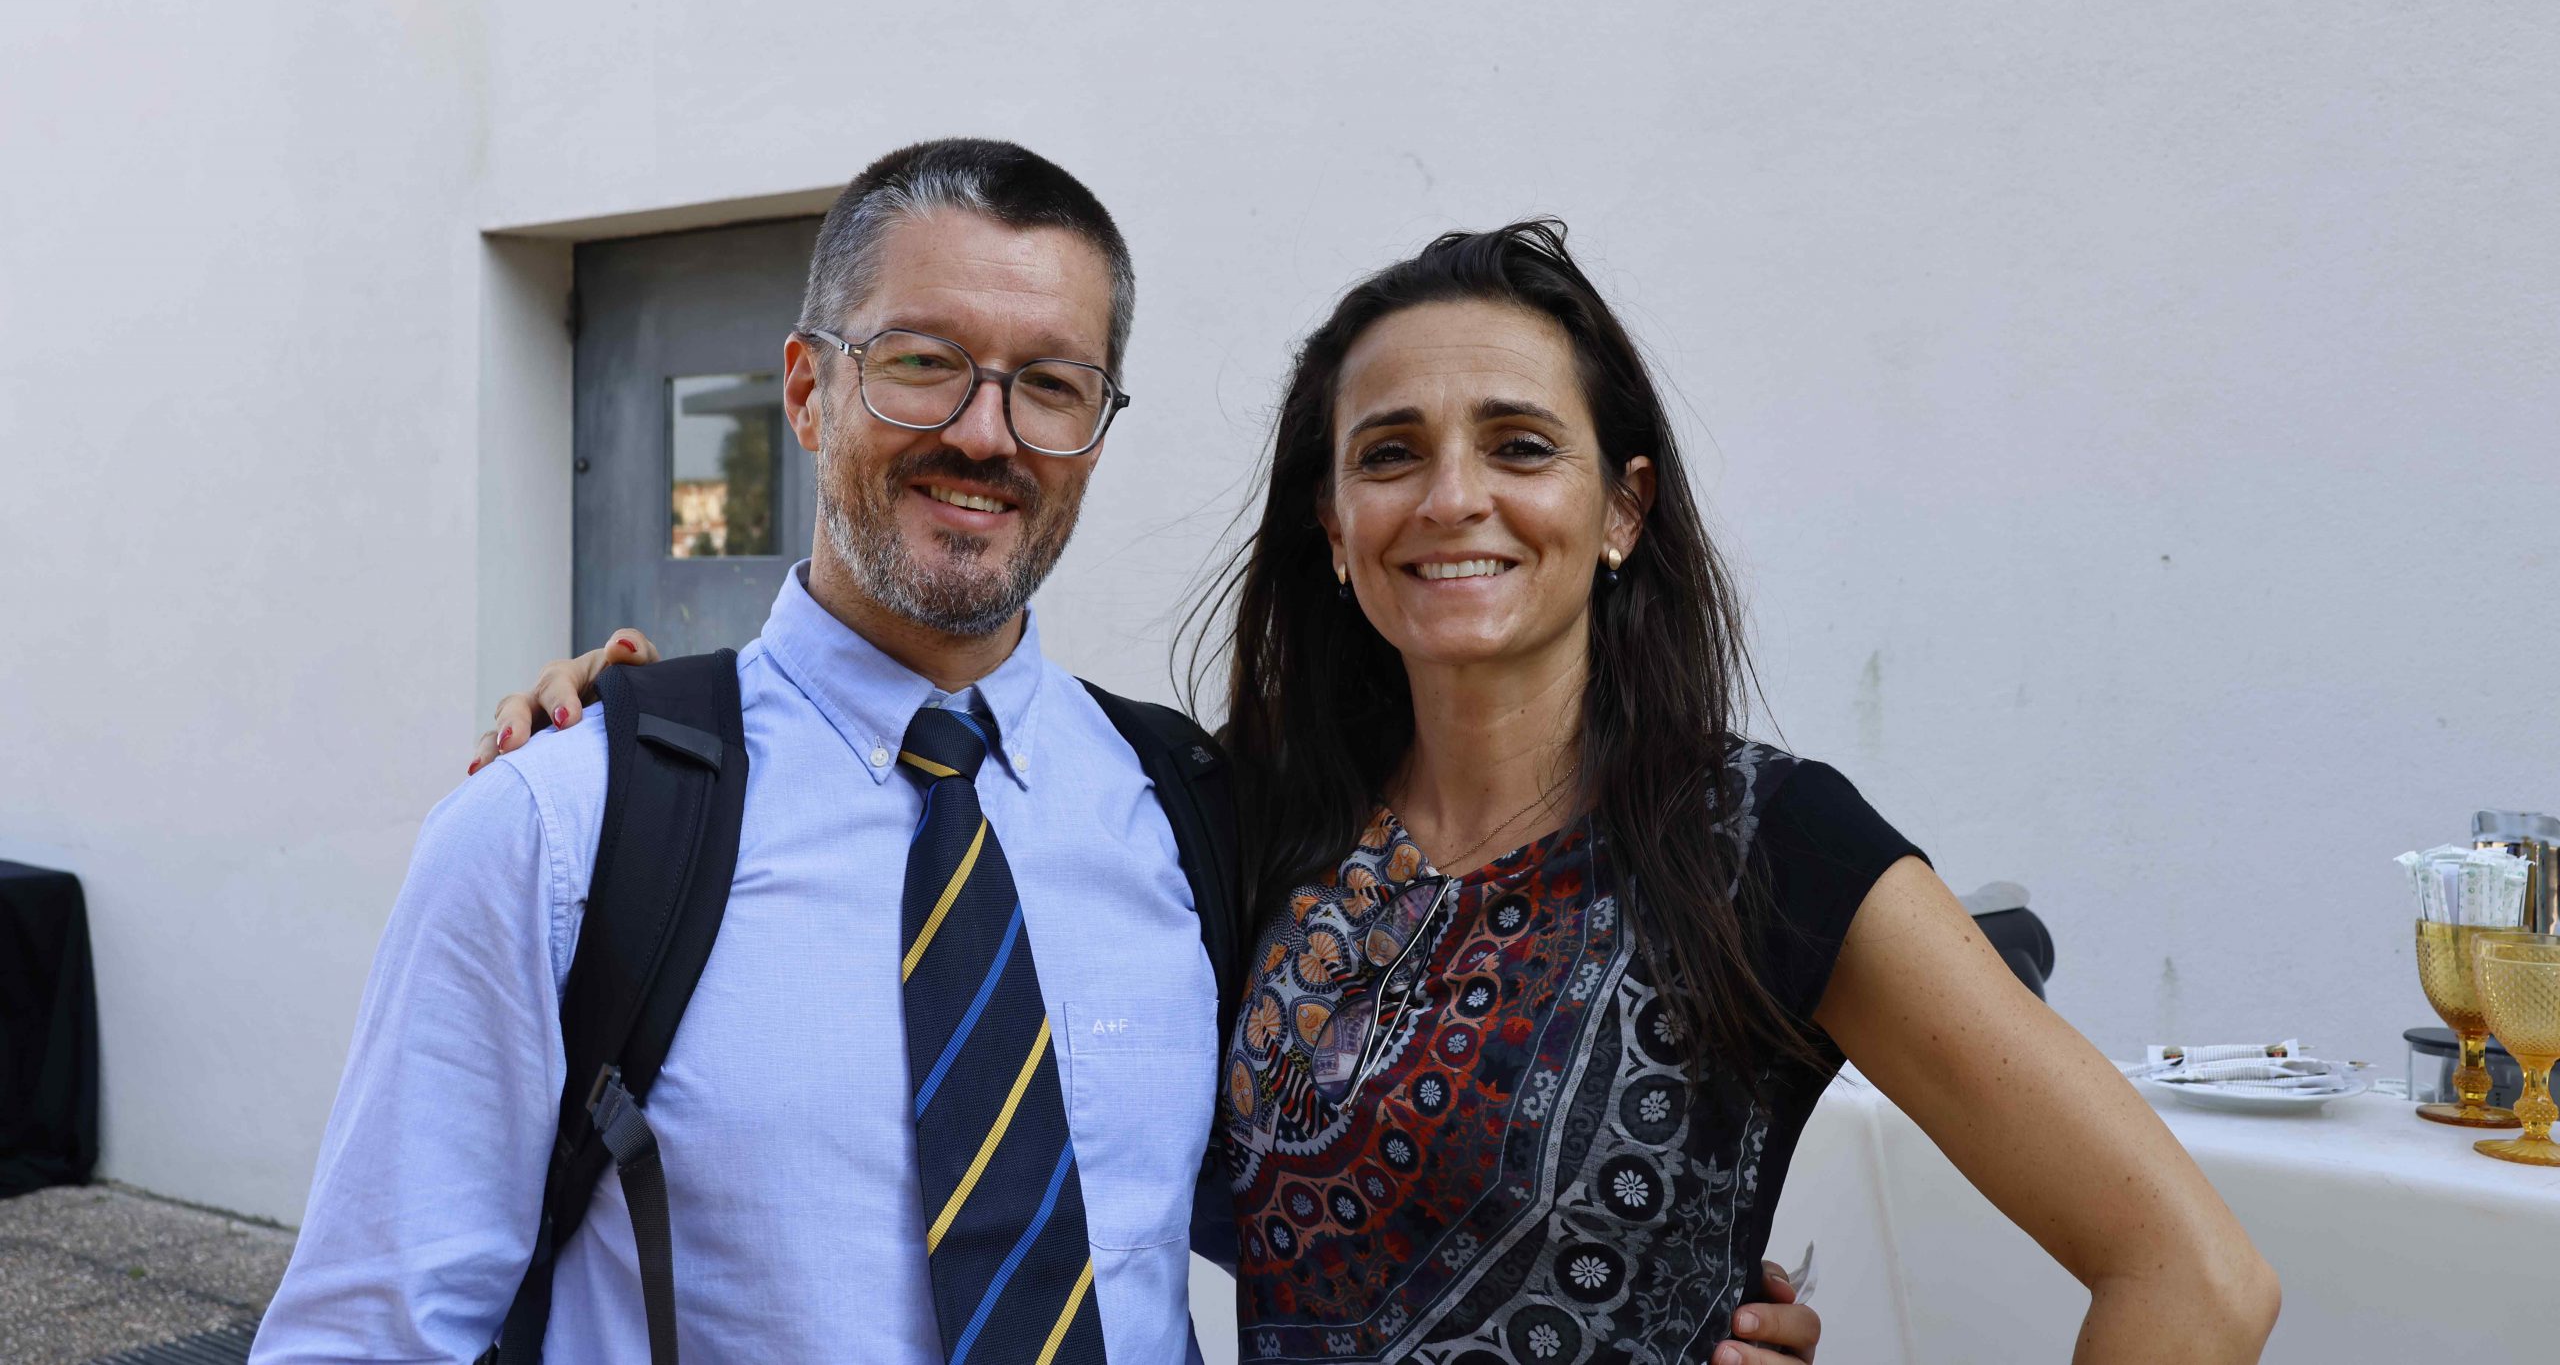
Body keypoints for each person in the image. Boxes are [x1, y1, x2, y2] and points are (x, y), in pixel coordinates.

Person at [489, 213, 2277, 1360]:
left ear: (1622, 509)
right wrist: (634, 715)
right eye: (1391, 453)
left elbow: (2194, 1275)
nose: (1455, 500)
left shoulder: (1769, 846)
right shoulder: (1226, 822)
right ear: (1335, 527)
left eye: (1522, 445)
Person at [257, 140, 1823, 1365]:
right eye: (922, 360)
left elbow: (1336, 1207)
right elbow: (361, 1338)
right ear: (807, 389)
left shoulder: (1197, 813)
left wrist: (1657, 1305)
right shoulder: (566, 825)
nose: (987, 432)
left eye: (1051, 385)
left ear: (1096, 427)